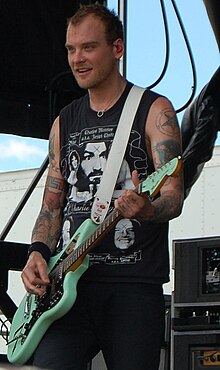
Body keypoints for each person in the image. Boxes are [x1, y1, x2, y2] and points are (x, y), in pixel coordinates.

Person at [21, 4, 184, 370]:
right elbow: (51, 206)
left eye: (88, 47)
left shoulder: (155, 110)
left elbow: (172, 194)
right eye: (70, 49)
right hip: (64, 290)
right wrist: (35, 253)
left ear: (117, 48)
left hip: (132, 287)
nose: (77, 59)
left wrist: (150, 209)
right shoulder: (65, 121)